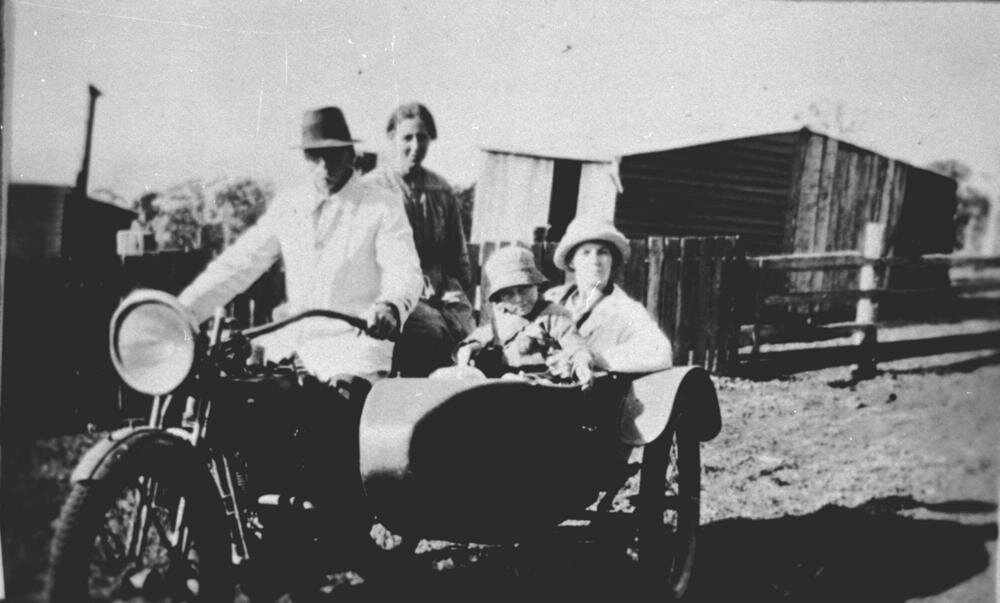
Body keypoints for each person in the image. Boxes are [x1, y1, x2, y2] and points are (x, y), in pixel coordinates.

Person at [177, 106, 424, 569]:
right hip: (293, 346)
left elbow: (405, 269)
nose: (324, 167)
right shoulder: (290, 204)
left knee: (333, 420)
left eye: (333, 155)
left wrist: (391, 305)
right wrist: (181, 312)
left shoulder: (379, 204)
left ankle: (345, 531)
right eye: (313, 156)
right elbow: (240, 263)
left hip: (355, 344)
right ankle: (252, 517)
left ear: (351, 152)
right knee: (238, 406)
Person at [364, 102, 475, 376]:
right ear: (392, 138)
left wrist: (459, 293)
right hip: (391, 287)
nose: (416, 145)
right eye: (407, 137)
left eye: (422, 137)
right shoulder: (372, 188)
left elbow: (456, 254)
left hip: (439, 287)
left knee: (466, 335)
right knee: (428, 331)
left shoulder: (441, 190)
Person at [544, 215, 673, 375]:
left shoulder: (626, 310)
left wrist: (593, 359)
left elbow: (660, 352)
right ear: (571, 261)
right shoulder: (552, 300)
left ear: (612, 260)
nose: (595, 260)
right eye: (586, 252)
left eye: (603, 252)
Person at [453, 246, 593, 385]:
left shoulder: (554, 316)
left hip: (542, 381)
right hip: (504, 380)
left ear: (536, 286)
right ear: (500, 298)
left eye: (524, 290)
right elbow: (482, 335)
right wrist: (469, 347)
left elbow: (575, 345)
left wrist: (581, 364)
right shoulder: (501, 318)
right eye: (509, 294)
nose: (519, 299)